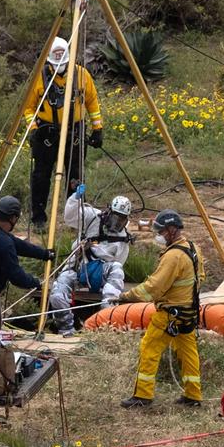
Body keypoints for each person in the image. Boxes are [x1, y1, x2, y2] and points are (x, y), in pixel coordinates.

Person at [119, 209, 203, 409]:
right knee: (188, 353)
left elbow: (154, 287)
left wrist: (127, 297)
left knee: (149, 348)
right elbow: (200, 279)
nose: (159, 235)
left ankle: (143, 395)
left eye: (161, 231)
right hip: (189, 314)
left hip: (170, 315)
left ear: (172, 230)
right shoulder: (193, 248)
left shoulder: (173, 256)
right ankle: (193, 395)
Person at [23, 37, 104, 226]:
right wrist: (34, 129)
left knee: (75, 175)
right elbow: (28, 108)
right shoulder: (39, 78)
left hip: (74, 132)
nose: (60, 66)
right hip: (46, 134)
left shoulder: (82, 75)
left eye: (64, 62)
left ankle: (75, 216)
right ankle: (39, 218)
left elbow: (92, 103)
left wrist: (97, 128)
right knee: (41, 176)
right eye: (55, 63)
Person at [50, 184, 132, 336]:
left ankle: (106, 322)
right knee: (57, 293)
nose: (116, 223)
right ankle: (66, 329)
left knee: (116, 270)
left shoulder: (123, 239)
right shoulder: (93, 217)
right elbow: (71, 217)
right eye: (115, 217)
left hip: (101, 272)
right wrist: (76, 198)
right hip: (79, 267)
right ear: (109, 211)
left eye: (121, 220)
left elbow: (119, 262)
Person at [0, 195, 55, 296]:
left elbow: (21, 246)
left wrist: (45, 254)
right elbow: (16, 277)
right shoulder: (3, 243)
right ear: (13, 218)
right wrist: (36, 283)